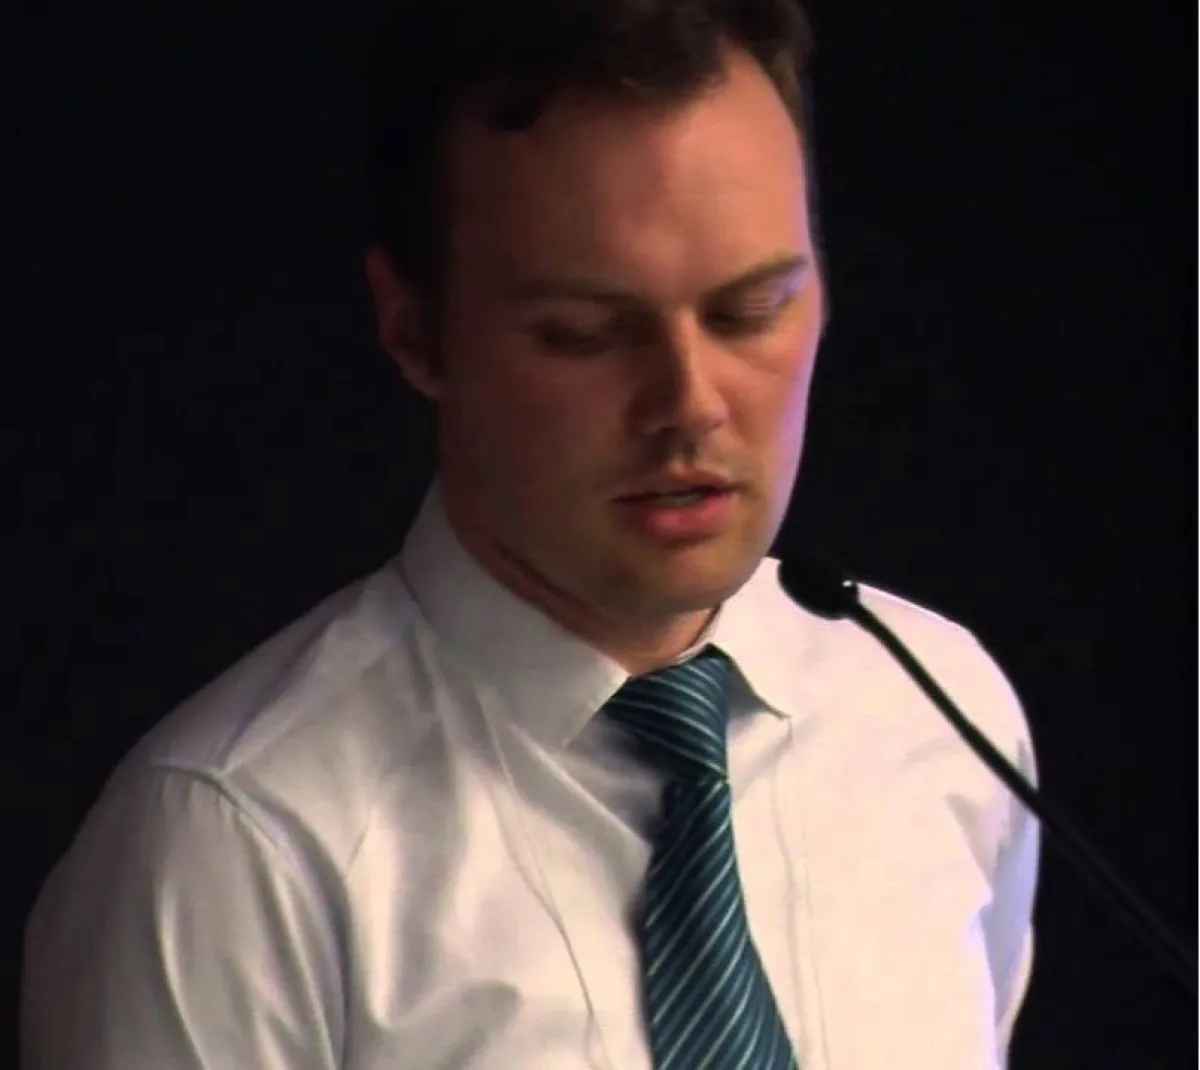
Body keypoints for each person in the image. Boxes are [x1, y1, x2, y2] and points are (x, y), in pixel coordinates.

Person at [20, 0, 1041, 1067]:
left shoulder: (940, 714)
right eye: (584, 334)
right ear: (415, 329)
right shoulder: (234, 850)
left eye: (749, 312)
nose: (690, 402)